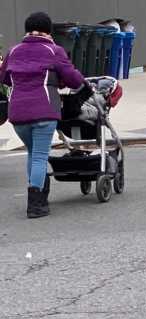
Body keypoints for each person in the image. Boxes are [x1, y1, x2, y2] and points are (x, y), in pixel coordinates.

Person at [0, 12, 88, 218]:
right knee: (39, 155)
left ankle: (38, 191)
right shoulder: (53, 50)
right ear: (49, 30)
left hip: (18, 114)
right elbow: (74, 79)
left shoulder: (14, 51)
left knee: (33, 152)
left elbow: (4, 78)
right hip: (44, 111)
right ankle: (36, 203)